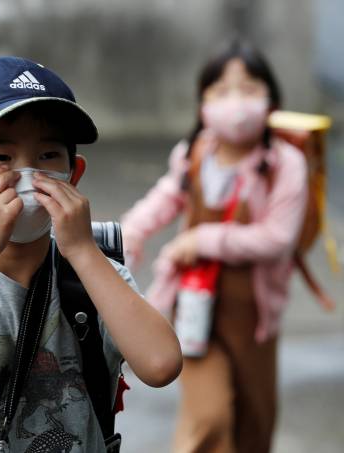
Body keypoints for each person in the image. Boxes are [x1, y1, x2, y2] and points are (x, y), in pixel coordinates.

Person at [0, 56, 182, 452]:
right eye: (2, 158)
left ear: (74, 174)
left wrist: (82, 249)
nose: (27, 175)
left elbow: (161, 365)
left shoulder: (96, 278)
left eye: (48, 157)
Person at [120, 40, 308, 453]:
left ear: (271, 99)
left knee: (255, 423)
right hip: (194, 307)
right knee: (209, 418)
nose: (236, 103)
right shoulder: (195, 152)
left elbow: (278, 238)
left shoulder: (286, 164)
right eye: (221, 90)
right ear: (202, 102)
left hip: (255, 317)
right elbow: (165, 197)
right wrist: (128, 233)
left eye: (249, 88)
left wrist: (202, 239)